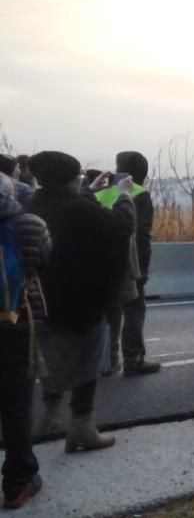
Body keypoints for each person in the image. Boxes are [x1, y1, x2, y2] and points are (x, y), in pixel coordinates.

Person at [28, 151, 135, 453]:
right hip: (83, 298)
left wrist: (91, 190)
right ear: (70, 179)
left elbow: (70, 205)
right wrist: (123, 196)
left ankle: (49, 417)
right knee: (87, 361)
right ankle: (82, 426)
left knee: (48, 360)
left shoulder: (32, 204)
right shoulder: (81, 210)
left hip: (40, 298)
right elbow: (120, 227)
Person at [0, 174, 50, 509]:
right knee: (17, 403)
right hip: (17, 320)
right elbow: (44, 260)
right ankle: (18, 482)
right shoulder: (29, 224)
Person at [95, 152, 161, 376]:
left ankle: (108, 360)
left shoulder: (100, 192)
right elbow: (141, 235)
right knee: (133, 309)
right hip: (126, 263)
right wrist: (141, 269)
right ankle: (133, 359)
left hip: (100, 263)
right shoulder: (138, 193)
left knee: (109, 313)